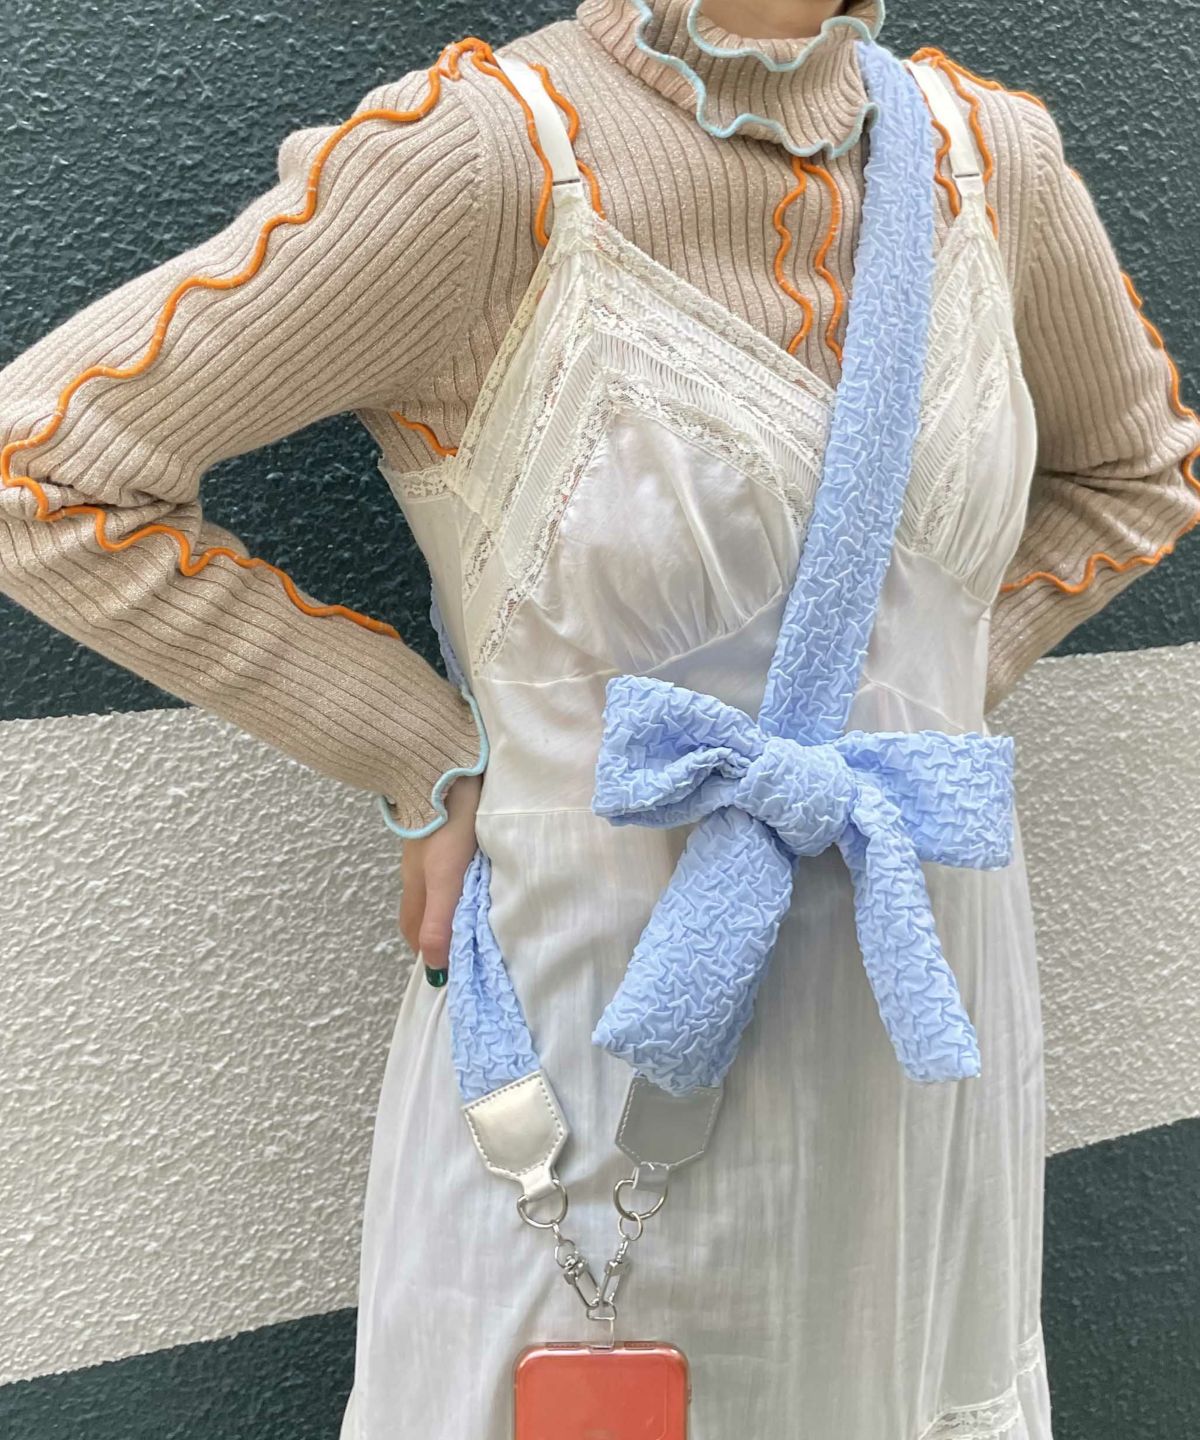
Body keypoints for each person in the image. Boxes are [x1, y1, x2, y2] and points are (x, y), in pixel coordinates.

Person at [1, 1, 1197, 1436]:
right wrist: (421, 754)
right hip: (589, 1041)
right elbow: (46, 475)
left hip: (921, 1018)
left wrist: (918, 698)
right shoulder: (485, 162)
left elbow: (1135, 472)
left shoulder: (992, 160)